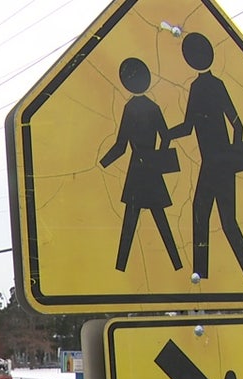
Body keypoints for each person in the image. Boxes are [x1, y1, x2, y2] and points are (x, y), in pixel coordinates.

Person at [167, 32, 243, 281]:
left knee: (214, 217)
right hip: (217, 164)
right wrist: (232, 157)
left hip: (216, 164)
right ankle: (225, 274)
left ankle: (208, 275)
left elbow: (192, 126)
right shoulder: (209, 85)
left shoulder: (204, 86)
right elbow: (233, 125)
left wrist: (166, 134)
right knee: (215, 216)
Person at [100, 57, 184, 273]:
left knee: (131, 221)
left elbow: (121, 145)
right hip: (151, 169)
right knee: (156, 218)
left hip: (138, 170)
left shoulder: (131, 108)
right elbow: (165, 136)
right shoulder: (153, 107)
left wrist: (102, 164)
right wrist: (159, 157)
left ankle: (121, 267)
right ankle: (177, 264)